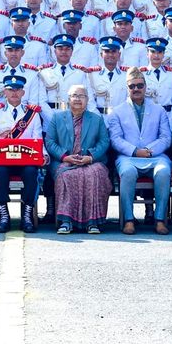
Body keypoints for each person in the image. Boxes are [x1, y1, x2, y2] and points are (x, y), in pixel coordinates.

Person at [106, 68, 172, 235]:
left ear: (145, 87)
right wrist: (135, 151)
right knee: (127, 172)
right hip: (129, 157)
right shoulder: (117, 111)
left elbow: (165, 137)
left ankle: (159, 220)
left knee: (164, 171)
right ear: (127, 88)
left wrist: (149, 151)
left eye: (139, 85)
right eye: (132, 86)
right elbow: (116, 139)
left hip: (155, 155)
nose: (136, 89)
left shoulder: (159, 110)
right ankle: (129, 220)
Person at [44, 84, 111, 235]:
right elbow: (50, 142)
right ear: (68, 99)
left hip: (90, 161)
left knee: (96, 174)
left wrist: (91, 157)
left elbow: (104, 141)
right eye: (74, 96)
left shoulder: (96, 119)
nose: (78, 99)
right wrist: (65, 156)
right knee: (67, 175)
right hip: (65, 161)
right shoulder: (57, 118)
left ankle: (92, 222)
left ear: (87, 100)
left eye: (82, 96)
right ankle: (66, 221)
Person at [0, 74, 46, 233]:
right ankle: (4, 215)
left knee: (31, 172)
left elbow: (37, 138)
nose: (14, 93)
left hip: (25, 159)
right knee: (0, 172)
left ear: (23, 93)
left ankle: (27, 214)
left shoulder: (32, 114)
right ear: (4, 92)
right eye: (10, 89)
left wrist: (44, 154)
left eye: (17, 89)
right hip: (3, 158)